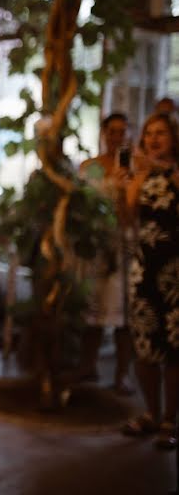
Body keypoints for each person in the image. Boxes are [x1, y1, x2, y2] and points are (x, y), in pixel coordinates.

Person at [122, 112, 179, 450]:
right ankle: (150, 413)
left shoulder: (173, 172)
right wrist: (124, 186)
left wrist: (161, 170)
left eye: (161, 133)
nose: (154, 139)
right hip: (144, 270)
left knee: (174, 349)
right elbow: (128, 219)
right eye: (149, 133)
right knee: (144, 346)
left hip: (175, 273)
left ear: (173, 137)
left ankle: (171, 419)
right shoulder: (140, 174)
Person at [77, 112, 133, 393]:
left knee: (123, 315)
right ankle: (88, 365)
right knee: (93, 310)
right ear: (103, 133)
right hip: (96, 245)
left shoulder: (132, 168)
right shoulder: (90, 166)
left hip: (123, 244)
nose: (117, 137)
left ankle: (121, 375)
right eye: (112, 131)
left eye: (122, 131)